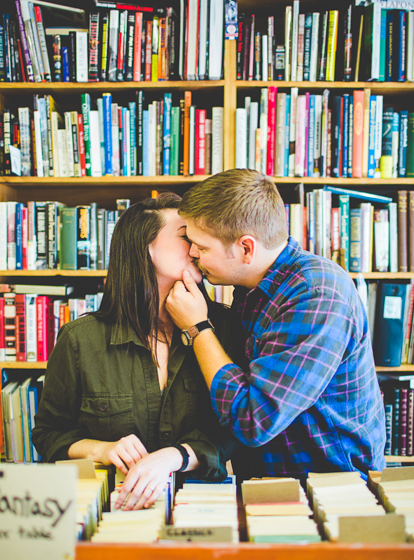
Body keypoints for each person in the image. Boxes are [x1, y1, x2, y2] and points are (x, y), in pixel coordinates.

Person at [165, 169, 386, 478]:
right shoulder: (251, 287)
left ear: (246, 248)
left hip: (331, 488)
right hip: (275, 483)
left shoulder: (315, 293)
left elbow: (254, 421)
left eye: (201, 247)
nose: (191, 253)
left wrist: (198, 328)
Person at [30, 194, 241, 511]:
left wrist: (177, 455)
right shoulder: (80, 340)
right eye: (186, 236)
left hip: (204, 511)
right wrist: (102, 450)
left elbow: (239, 430)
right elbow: (49, 435)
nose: (198, 247)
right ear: (144, 247)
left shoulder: (224, 328)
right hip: (113, 514)